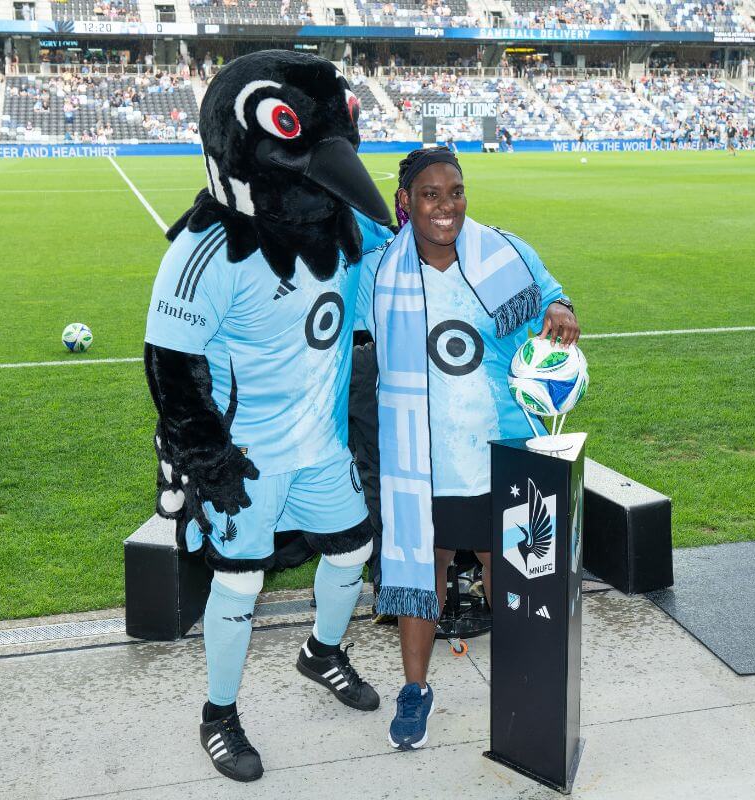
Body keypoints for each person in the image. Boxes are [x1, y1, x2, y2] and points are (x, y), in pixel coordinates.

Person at [144, 50, 393, 783]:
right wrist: (205, 458)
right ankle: (219, 714)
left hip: (318, 448)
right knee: (242, 582)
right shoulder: (205, 250)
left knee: (351, 550)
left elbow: (402, 262)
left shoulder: (341, 230)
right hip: (247, 458)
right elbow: (169, 365)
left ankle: (321, 651)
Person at [355, 147, 579, 750]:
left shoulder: (505, 253)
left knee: (507, 567)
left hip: (498, 447)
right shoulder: (375, 270)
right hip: (421, 460)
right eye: (430, 194)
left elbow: (551, 294)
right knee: (422, 570)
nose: (446, 205)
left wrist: (560, 308)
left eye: (455, 191)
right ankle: (415, 690)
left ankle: (526, 680)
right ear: (406, 202)